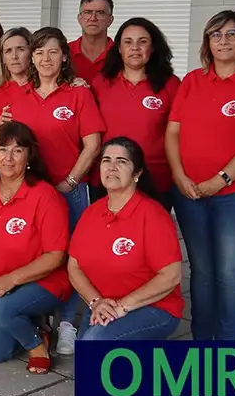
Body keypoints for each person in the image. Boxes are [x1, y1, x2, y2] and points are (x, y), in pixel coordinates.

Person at [167, 10, 235, 342]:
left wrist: (219, 180)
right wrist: (179, 176)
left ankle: (226, 345)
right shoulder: (191, 82)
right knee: (201, 270)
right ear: (206, 42)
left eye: (231, 34)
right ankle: (202, 340)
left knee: (227, 272)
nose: (223, 41)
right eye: (215, 34)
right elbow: (173, 132)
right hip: (190, 194)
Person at [10, 27, 105, 356]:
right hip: (30, 194)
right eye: (38, 52)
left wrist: (71, 182)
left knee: (71, 258)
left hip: (69, 191)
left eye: (52, 51)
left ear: (64, 55)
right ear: (31, 58)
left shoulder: (78, 94)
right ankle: (40, 320)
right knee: (36, 256)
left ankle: (67, 322)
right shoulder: (19, 96)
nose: (45, 58)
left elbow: (92, 145)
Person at [0, 123, 69, 373]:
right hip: (2, 286)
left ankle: (36, 345)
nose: (9, 158)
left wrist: (12, 279)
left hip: (43, 282)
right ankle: (36, 326)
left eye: (18, 150)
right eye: (3, 149)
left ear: (29, 157)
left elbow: (56, 256)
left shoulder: (44, 196)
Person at [68, 137, 184, 341]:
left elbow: (171, 276)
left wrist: (122, 306)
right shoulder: (91, 213)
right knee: (88, 358)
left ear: (137, 173)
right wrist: (96, 302)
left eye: (121, 161)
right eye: (106, 161)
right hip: (104, 304)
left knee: (94, 344)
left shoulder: (153, 216)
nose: (112, 167)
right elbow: (74, 266)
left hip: (151, 306)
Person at [91, 18, 180, 207]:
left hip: (156, 179)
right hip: (109, 178)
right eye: (128, 42)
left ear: (153, 47)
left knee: (150, 235)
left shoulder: (170, 85)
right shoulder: (101, 83)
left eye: (143, 41)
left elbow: (180, 133)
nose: (135, 48)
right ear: (119, 48)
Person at [69, 0, 114, 81]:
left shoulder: (121, 54)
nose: (93, 18)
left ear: (110, 20)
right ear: (79, 18)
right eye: (87, 12)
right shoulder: (64, 52)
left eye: (100, 13)